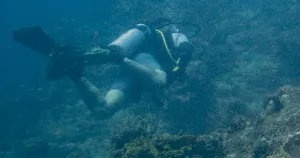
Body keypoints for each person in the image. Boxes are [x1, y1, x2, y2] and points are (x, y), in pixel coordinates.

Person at [12, 22, 194, 115]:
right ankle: (116, 57)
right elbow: (186, 48)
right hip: (143, 60)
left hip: (132, 72)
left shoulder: (164, 39)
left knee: (103, 110)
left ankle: (72, 70)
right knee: (159, 80)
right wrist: (181, 66)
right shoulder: (173, 35)